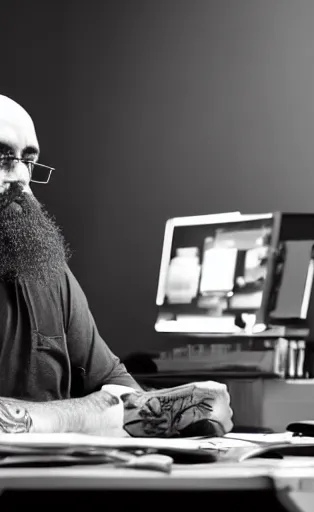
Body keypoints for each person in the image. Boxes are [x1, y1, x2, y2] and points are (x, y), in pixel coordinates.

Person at [0, 95, 233, 436]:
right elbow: (112, 410)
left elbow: (118, 391)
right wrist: (93, 413)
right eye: (2, 157)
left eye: (28, 161)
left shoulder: (45, 271)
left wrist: (175, 410)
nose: (21, 178)